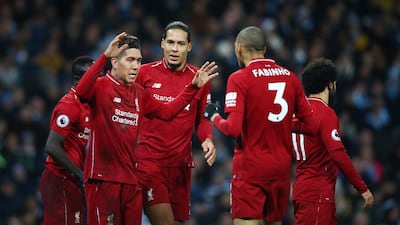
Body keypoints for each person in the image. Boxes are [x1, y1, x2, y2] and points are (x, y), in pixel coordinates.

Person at [75, 32, 218, 225]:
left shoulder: (140, 94)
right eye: (130, 60)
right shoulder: (101, 86)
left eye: (138, 60)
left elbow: (168, 112)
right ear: (115, 62)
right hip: (104, 177)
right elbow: (82, 91)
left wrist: (192, 88)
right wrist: (105, 56)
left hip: (131, 179)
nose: (135, 66)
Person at [204, 26, 316, 225]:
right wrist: (282, 124)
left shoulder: (239, 78)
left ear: (239, 48)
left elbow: (232, 129)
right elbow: (311, 125)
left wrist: (213, 116)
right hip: (281, 171)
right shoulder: (290, 77)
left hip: (250, 171)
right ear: (264, 49)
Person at [134, 21, 216, 225]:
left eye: (180, 43)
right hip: (150, 164)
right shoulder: (144, 73)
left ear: (189, 46)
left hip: (181, 167)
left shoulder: (199, 78)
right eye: (170, 42)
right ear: (162, 43)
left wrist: (207, 139)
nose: (174, 48)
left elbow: (202, 119)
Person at [291, 58, 374, 225]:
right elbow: (338, 154)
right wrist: (362, 188)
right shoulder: (325, 114)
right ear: (330, 85)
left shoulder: (295, 114)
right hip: (318, 193)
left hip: (302, 190)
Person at [39, 55, 94, 225]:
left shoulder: (89, 105)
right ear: (78, 80)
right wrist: (80, 174)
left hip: (71, 181)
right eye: (92, 77)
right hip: (59, 178)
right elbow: (52, 146)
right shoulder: (69, 105)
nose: (97, 81)